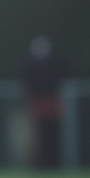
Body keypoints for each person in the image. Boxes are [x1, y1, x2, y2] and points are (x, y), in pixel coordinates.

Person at [18, 35, 68, 169]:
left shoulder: (55, 63)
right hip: (36, 103)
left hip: (51, 102)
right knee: (36, 135)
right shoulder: (29, 64)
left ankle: (54, 163)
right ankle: (38, 164)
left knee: (52, 133)